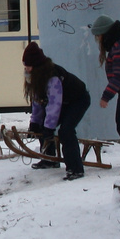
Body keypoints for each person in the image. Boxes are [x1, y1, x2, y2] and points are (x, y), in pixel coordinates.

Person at [22, 42, 91, 180]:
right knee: (42, 126)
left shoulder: (52, 77)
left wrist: (49, 127)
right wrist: (35, 122)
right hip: (64, 102)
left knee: (66, 130)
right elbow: (38, 101)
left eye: (28, 66)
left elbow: (54, 104)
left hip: (78, 100)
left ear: (36, 66)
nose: (26, 69)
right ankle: (50, 159)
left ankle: (75, 168)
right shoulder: (36, 78)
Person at [90, 15, 120, 173]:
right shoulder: (119, 44)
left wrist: (106, 96)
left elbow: (119, 76)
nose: (98, 40)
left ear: (104, 35)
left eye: (98, 36)